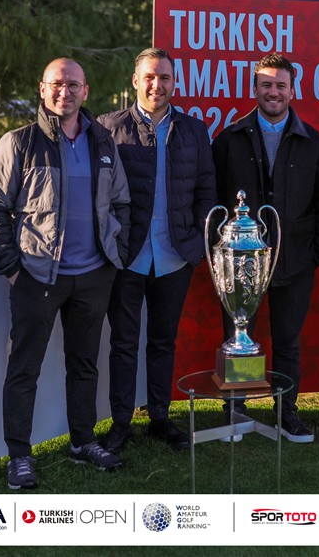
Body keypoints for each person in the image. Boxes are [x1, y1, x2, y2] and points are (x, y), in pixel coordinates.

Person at [0, 58, 130, 490]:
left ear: (86, 91)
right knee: (24, 369)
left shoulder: (103, 141)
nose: (65, 92)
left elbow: (121, 202)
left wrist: (115, 255)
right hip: (37, 277)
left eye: (73, 85)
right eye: (57, 84)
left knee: (84, 366)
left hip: (93, 276)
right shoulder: (20, 142)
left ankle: (83, 441)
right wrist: (12, 268)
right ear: (43, 89)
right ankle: (19, 456)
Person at [211, 52, 319, 443]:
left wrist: (314, 252)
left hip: (294, 260)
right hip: (240, 265)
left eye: (281, 85)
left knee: (287, 341)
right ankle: (236, 410)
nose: (273, 92)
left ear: (292, 90)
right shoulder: (229, 139)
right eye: (266, 84)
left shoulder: (314, 143)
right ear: (254, 88)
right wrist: (222, 255)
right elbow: (212, 199)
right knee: (239, 337)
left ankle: (287, 412)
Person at [97, 48, 216, 453]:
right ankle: (120, 422)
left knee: (164, 341)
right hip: (127, 257)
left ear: (174, 82)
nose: (156, 85)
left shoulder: (194, 131)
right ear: (135, 81)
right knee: (123, 342)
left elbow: (206, 190)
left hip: (175, 256)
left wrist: (196, 241)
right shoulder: (108, 128)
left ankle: (160, 417)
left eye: (164, 77)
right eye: (149, 76)